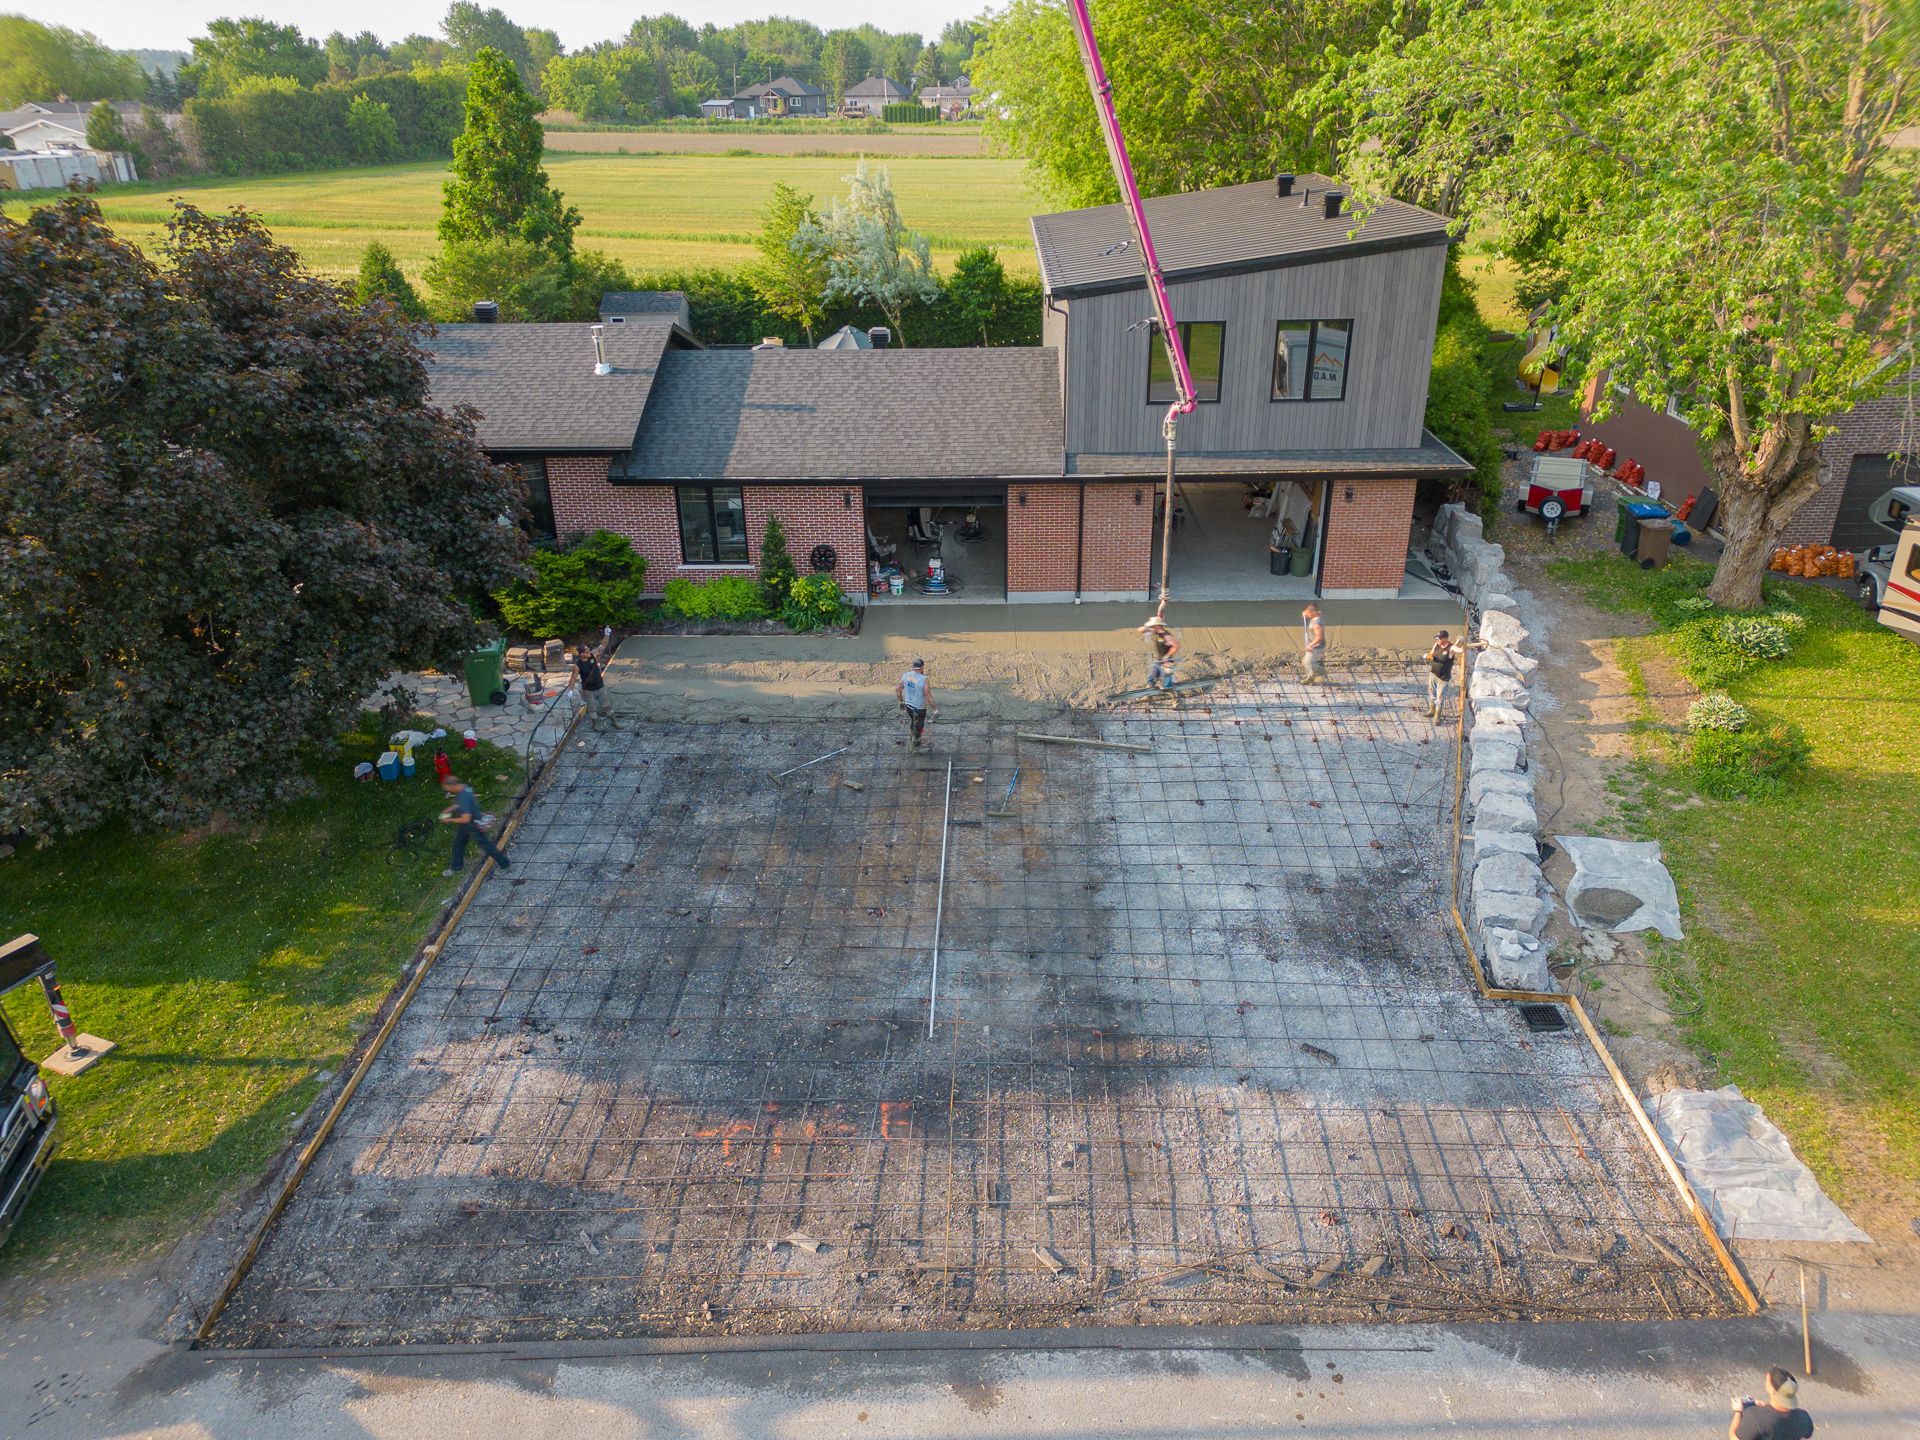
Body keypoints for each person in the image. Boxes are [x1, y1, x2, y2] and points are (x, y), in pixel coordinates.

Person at [439, 773, 510, 877]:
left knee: (487, 846)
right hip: (468, 824)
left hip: (472, 825)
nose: (448, 791)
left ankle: (506, 865)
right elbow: (464, 803)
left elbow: (465, 818)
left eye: (448, 788)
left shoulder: (463, 797)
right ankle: (456, 867)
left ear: (453, 785)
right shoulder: (465, 788)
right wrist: (452, 808)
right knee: (458, 844)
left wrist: (449, 819)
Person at [1730, 1367, 1814, 1439]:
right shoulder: (1804, 1417)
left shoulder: (1755, 1418)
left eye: (1767, 1380)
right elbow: (1805, 1437)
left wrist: (1738, 1412)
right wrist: (1765, 1409)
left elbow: (1734, 1438)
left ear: (1772, 1390)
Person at [1424, 628, 1486, 720]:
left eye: (1439, 638)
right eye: (1437, 638)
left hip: (1443, 678)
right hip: (1433, 674)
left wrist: (1463, 642)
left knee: (1440, 697)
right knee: (1431, 693)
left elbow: (1461, 650)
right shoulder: (1436, 645)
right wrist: (1428, 656)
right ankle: (1431, 710)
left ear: (1445, 638)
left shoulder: (1451, 648)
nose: (1437, 640)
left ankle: (1437, 716)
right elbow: (1431, 654)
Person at [568, 626, 618, 732]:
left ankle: (614, 721)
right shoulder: (578, 665)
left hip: (600, 686)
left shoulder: (593, 656)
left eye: (588, 650)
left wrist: (607, 634)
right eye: (586, 651)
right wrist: (571, 690)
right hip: (588, 690)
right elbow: (573, 678)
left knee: (606, 705)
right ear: (581, 654)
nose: (589, 652)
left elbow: (602, 645)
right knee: (592, 708)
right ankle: (595, 724)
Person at [896, 657, 936, 752]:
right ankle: (915, 748)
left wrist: (901, 701)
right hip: (919, 709)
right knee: (918, 727)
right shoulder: (924, 679)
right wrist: (935, 709)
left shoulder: (906, 675)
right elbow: (928, 696)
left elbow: (898, 689)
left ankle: (912, 737)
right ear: (922, 667)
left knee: (914, 721)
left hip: (908, 706)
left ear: (913, 667)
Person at [1137, 605, 1181, 690]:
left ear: (1158, 625)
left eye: (1153, 626)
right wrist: (1147, 627)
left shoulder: (1166, 635)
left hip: (1166, 662)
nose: (1152, 627)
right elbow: (1140, 630)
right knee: (1151, 678)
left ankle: (1175, 698)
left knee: (1167, 684)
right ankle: (1149, 691)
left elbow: (1176, 646)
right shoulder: (1155, 631)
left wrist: (1167, 656)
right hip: (1158, 660)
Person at [1300, 603, 1327, 685]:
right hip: (1314, 645)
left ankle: (1320, 672)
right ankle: (1310, 676)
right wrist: (1305, 613)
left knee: (1308, 662)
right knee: (1305, 661)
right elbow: (1315, 609)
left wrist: (1311, 645)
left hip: (1317, 646)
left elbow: (1319, 637)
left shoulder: (1316, 623)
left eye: (1308, 614)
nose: (1307, 616)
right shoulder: (1316, 616)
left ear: (1312, 612)